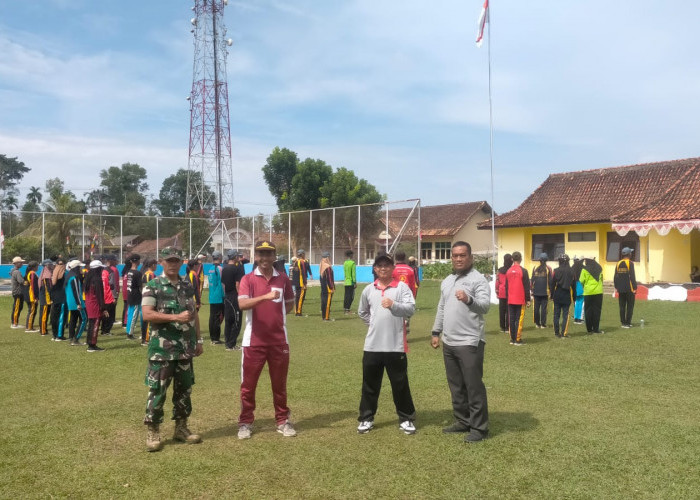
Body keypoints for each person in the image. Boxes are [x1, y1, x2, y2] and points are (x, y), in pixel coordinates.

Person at [142, 247, 203, 452]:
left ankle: (181, 428)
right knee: (158, 391)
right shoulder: (153, 286)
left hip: (185, 348)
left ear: (182, 262)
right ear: (162, 262)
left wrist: (199, 340)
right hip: (162, 351)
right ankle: (153, 431)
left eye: (177, 260)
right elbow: (148, 315)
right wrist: (175, 317)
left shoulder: (187, 286)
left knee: (184, 390)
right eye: (169, 260)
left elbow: (193, 314)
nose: (173, 264)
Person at [430, 241, 491, 443]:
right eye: (455, 255)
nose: (458, 258)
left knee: (473, 386)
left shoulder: (478, 280)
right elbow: (442, 307)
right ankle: (463, 421)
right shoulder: (447, 280)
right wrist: (436, 331)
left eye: (462, 255)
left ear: (470, 257)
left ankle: (479, 428)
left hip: (469, 342)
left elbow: (484, 307)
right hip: (449, 341)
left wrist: (468, 299)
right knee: (456, 386)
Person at [236, 241, 296, 440]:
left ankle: (282, 420)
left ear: (274, 256)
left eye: (268, 254)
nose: (264, 258)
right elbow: (243, 303)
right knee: (248, 385)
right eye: (261, 254)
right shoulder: (248, 279)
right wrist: (265, 297)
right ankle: (245, 422)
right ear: (255, 256)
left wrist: (276, 318)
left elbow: (289, 304)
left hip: (279, 341)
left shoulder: (283, 279)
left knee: (279, 385)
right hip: (253, 342)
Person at [356, 253, 417, 435]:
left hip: (395, 345)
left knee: (400, 384)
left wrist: (393, 305)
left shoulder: (402, 288)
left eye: (387, 265)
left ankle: (406, 418)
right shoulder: (368, 290)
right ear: (375, 269)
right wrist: (375, 324)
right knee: (370, 385)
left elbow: (410, 309)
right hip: (372, 346)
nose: (383, 268)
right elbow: (362, 312)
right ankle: (366, 418)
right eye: (379, 266)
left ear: (393, 268)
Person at [505, 251, 530, 345]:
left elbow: (506, 286)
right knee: (518, 319)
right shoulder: (523, 271)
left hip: (511, 299)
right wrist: (528, 299)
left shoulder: (508, 271)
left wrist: (508, 298)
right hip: (520, 299)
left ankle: (512, 339)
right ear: (521, 259)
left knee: (511, 318)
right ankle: (517, 339)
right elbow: (526, 286)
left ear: (512, 259)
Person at [221, 250, 245, 351]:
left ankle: (228, 342)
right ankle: (231, 345)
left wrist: (225, 295)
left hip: (227, 296)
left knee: (228, 320)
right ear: (235, 257)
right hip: (234, 296)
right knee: (236, 320)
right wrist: (240, 296)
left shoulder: (224, 268)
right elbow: (237, 284)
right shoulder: (236, 269)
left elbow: (223, 285)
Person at [83, 260, 108, 352]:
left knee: (91, 324)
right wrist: (103, 308)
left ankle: (90, 342)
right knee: (95, 324)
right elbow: (99, 295)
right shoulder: (97, 279)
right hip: (95, 304)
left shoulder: (88, 278)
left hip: (89, 303)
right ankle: (92, 345)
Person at [551, 254, 575, 338]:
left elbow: (552, 284)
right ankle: (564, 333)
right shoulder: (571, 271)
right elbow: (573, 285)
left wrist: (551, 295)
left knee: (556, 315)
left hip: (557, 294)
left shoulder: (555, 270)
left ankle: (556, 333)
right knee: (565, 315)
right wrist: (574, 297)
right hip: (567, 295)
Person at [65, 259, 87, 346]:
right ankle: (76, 339)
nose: (81, 269)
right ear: (76, 268)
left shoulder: (68, 275)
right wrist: (79, 303)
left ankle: (71, 337)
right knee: (84, 319)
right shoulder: (74, 277)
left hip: (70, 301)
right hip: (76, 302)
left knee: (73, 319)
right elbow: (76, 291)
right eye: (80, 267)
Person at [614, 247, 637, 329]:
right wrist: (635, 287)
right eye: (630, 253)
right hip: (629, 288)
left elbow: (615, 276)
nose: (631, 254)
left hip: (620, 288)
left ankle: (623, 323)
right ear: (629, 254)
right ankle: (627, 323)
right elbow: (632, 276)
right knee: (630, 306)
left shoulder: (618, 263)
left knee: (622, 306)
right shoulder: (630, 263)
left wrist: (616, 287)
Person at [580, 258, 604, 334]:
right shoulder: (599, 268)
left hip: (588, 292)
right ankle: (596, 329)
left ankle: (589, 329)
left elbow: (581, 280)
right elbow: (601, 279)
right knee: (597, 311)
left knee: (588, 311)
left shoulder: (584, 269)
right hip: (598, 292)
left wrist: (585, 286)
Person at [531, 253, 553, 329]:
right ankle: (543, 324)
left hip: (536, 291)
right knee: (544, 308)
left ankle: (537, 324)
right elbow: (550, 281)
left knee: (536, 308)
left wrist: (532, 290)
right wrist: (551, 292)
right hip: (545, 292)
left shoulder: (534, 267)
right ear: (546, 260)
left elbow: (532, 280)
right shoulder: (548, 268)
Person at [207, 251, 225, 344]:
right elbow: (222, 283)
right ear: (219, 257)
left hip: (211, 296)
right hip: (219, 297)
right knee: (218, 318)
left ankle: (212, 338)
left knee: (212, 317)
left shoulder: (210, 268)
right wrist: (224, 295)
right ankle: (216, 339)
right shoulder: (219, 268)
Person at [50, 256, 68, 341]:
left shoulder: (54, 273)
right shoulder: (65, 273)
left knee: (54, 316)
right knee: (61, 317)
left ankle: (54, 334)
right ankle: (59, 335)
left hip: (55, 297)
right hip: (62, 298)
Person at [125, 254, 143, 341]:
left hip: (130, 294)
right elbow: (140, 286)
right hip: (136, 296)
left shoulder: (129, 272)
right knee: (134, 315)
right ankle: (130, 333)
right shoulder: (137, 273)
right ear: (137, 261)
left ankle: (128, 331)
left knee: (130, 314)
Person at [140, 259, 158, 346]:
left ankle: (144, 338)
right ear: (153, 265)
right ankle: (146, 339)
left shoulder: (145, 274)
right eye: (156, 264)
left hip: (144, 298)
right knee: (148, 319)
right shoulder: (150, 275)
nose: (157, 266)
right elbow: (152, 287)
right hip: (149, 299)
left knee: (145, 319)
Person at [495, 253, 513, 333]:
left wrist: (497, 291)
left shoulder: (499, 270)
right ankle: (507, 327)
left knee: (501, 310)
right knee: (509, 310)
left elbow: (497, 282)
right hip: (510, 292)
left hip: (501, 292)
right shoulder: (512, 270)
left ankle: (502, 327)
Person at [102, 254, 120, 334]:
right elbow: (112, 285)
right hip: (109, 296)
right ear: (111, 261)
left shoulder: (103, 270)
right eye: (115, 260)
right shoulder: (111, 271)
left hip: (103, 295)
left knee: (105, 312)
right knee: (111, 314)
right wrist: (115, 297)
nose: (116, 261)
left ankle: (103, 329)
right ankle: (107, 330)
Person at [291, 249, 312, 316]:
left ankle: (296, 311)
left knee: (297, 296)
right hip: (301, 282)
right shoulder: (302, 262)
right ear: (302, 254)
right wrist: (305, 282)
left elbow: (294, 272)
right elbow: (303, 273)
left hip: (296, 282)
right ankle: (298, 312)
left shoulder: (295, 262)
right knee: (301, 297)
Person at [38, 259, 54, 337]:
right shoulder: (46, 277)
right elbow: (47, 289)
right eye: (50, 265)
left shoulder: (46, 274)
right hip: (45, 298)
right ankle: (43, 330)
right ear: (47, 266)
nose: (52, 266)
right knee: (44, 315)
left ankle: (44, 329)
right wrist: (49, 300)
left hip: (45, 298)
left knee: (45, 314)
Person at [10, 256, 26, 329]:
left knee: (18, 307)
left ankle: (15, 322)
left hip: (17, 292)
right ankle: (14, 323)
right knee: (17, 308)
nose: (22, 263)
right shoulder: (17, 272)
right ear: (16, 263)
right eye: (21, 262)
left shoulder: (14, 271)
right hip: (18, 292)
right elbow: (21, 281)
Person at [24, 261, 40, 333]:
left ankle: (29, 326)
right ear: (34, 267)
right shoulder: (32, 274)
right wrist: (35, 297)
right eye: (37, 266)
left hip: (30, 295)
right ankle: (29, 327)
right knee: (32, 311)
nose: (38, 267)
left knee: (32, 311)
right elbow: (34, 286)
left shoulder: (29, 273)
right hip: (32, 296)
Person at [319, 252, 335, 321]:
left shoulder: (321, 264)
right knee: (327, 302)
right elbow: (329, 278)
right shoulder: (327, 267)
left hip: (323, 287)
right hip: (328, 288)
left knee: (323, 301)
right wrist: (332, 287)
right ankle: (326, 317)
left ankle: (323, 316)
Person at [343, 250, 357, 314]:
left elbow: (345, 272)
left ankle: (345, 309)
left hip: (346, 281)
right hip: (351, 282)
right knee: (351, 296)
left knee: (346, 296)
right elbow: (353, 274)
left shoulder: (345, 263)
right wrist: (354, 282)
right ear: (351, 255)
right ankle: (348, 310)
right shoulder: (352, 263)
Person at [572, 256, 585, 324]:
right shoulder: (583, 267)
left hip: (574, 285)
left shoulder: (573, 267)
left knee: (576, 302)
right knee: (581, 302)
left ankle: (576, 318)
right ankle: (579, 318)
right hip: (580, 285)